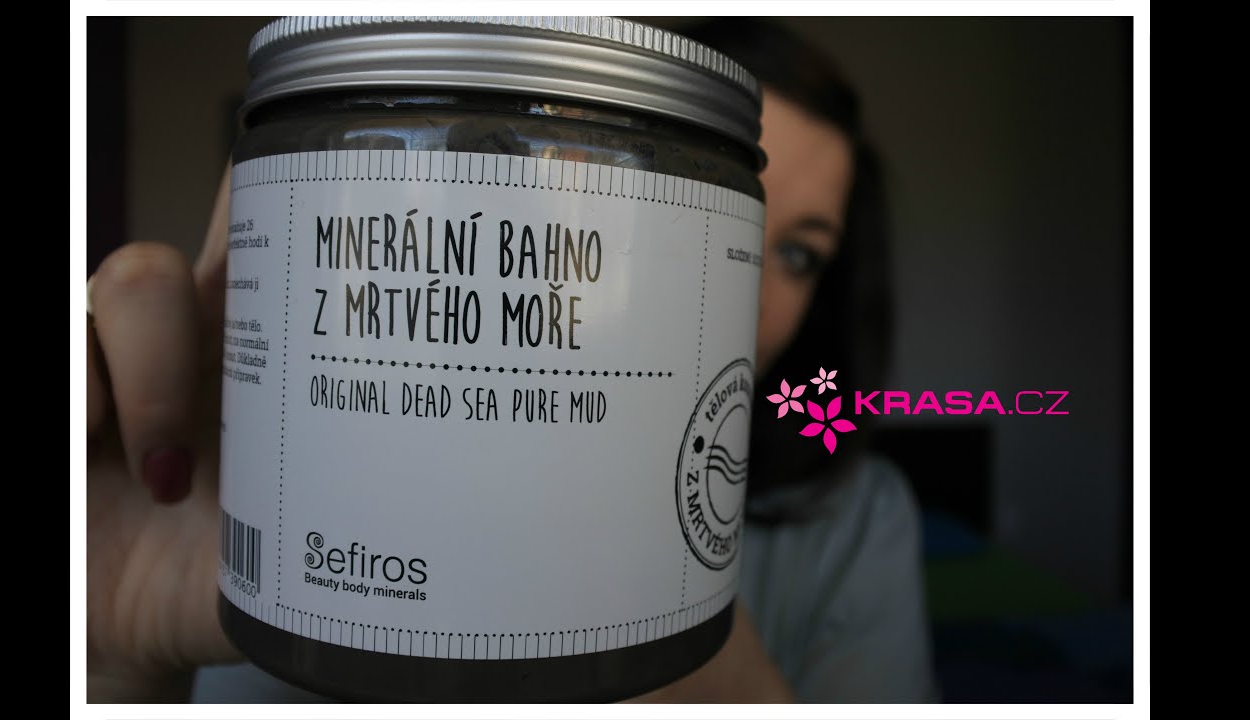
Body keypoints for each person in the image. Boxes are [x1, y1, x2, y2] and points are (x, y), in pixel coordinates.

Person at [85, 18, 936, 702]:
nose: (748, 297)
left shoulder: (858, 527)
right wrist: (107, 658)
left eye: (798, 254)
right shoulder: (269, 543)